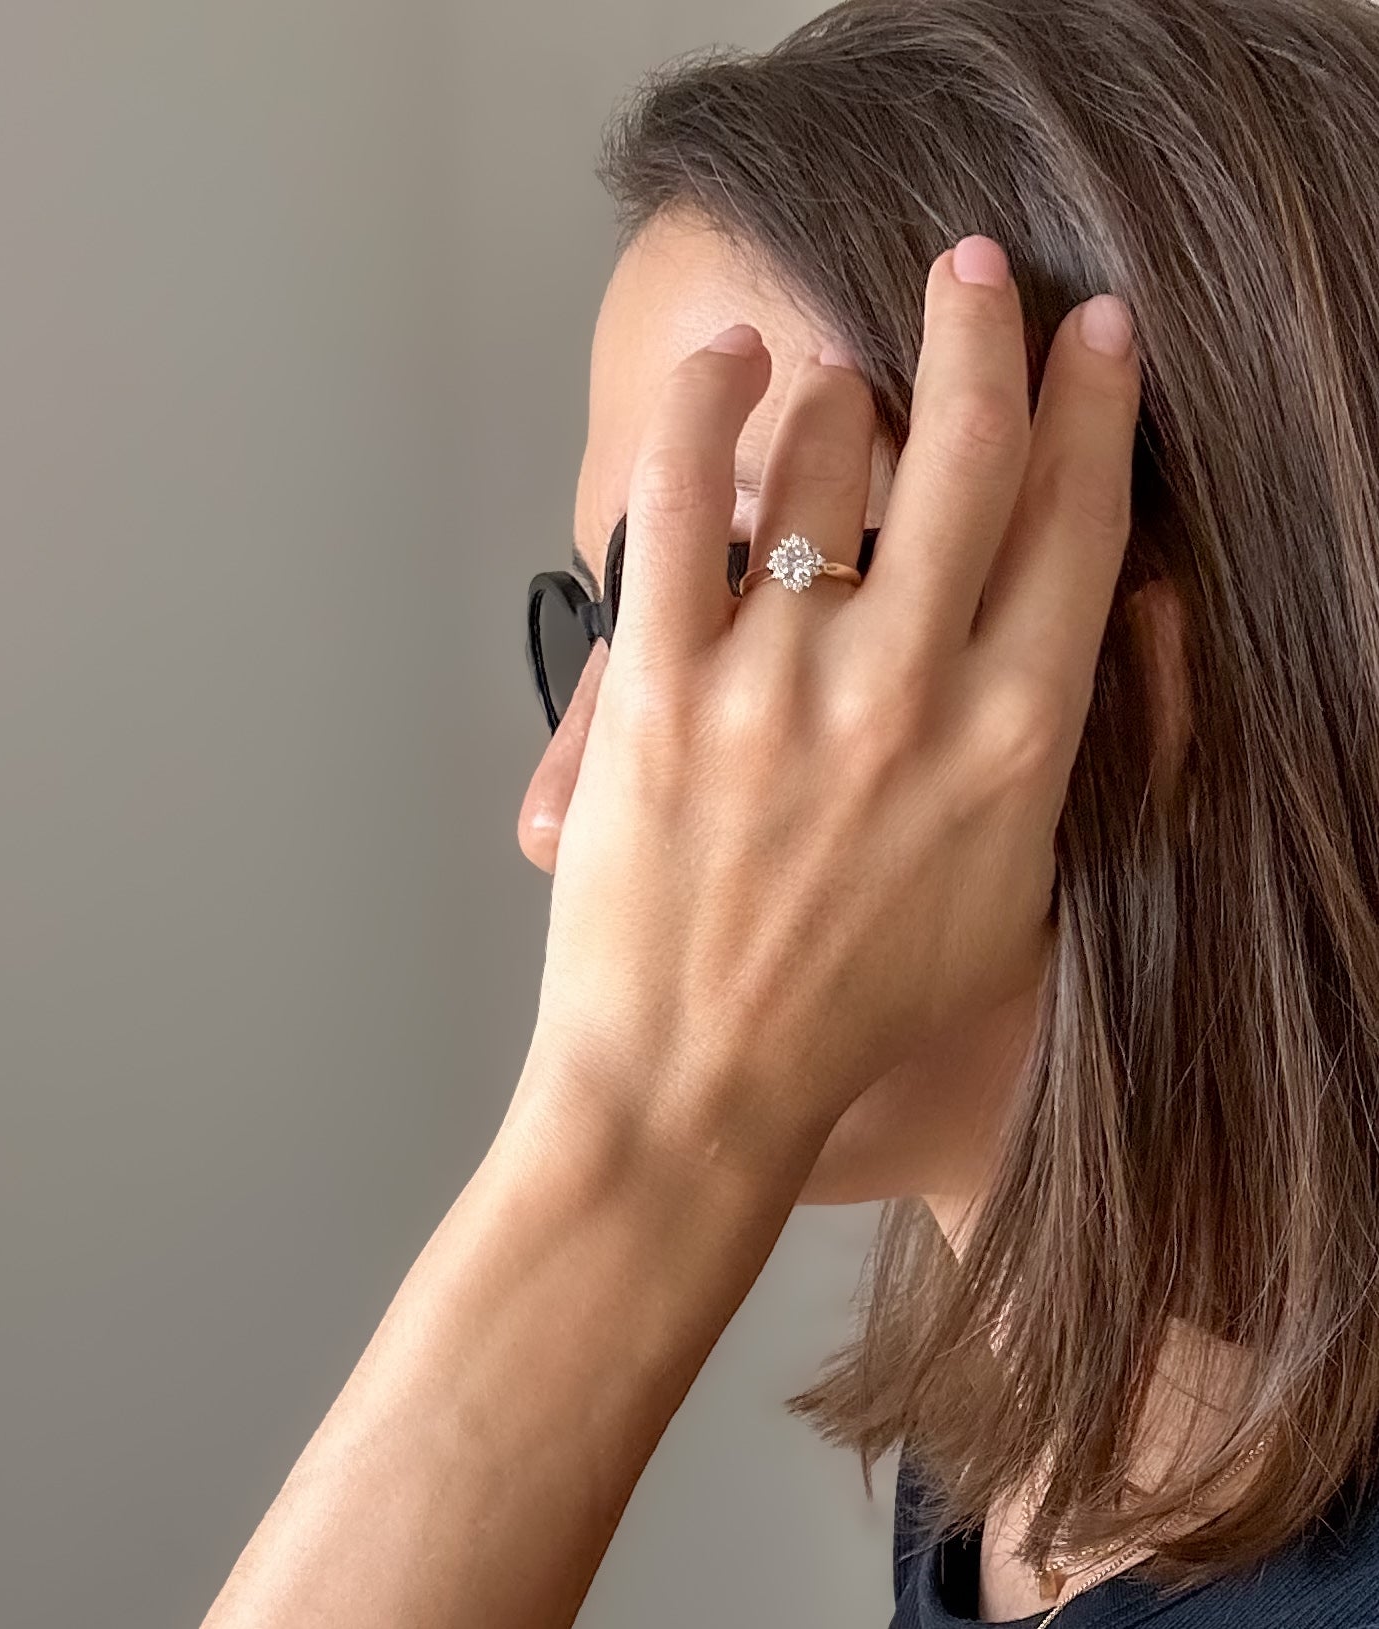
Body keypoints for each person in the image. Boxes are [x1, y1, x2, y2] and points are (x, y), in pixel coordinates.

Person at [201, 0, 1379, 1623]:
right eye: (600, 629)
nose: (562, 817)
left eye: (727, 608)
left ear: (1130, 684)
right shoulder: (1011, 1475)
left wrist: (632, 1133)